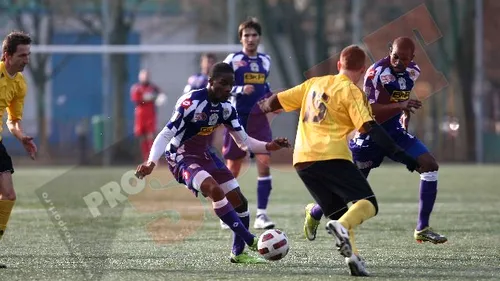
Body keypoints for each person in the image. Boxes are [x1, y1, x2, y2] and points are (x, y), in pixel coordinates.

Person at [258, 45, 419, 276]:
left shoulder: (313, 83)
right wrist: (403, 156)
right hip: (331, 155)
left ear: (338, 65)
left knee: (340, 213)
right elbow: (370, 129)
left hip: (302, 161)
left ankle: (353, 259)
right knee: (368, 204)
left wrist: (257, 109)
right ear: (363, 70)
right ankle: (341, 227)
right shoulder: (352, 92)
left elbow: (272, 102)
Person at [135, 62, 290, 264]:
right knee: (214, 190)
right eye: (223, 83)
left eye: (231, 84)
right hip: (180, 155)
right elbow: (166, 133)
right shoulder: (191, 102)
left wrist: (270, 146)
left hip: (205, 154)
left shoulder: (227, 108)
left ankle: (238, 253)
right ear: (210, 82)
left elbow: (244, 143)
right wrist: (151, 162)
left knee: (239, 201)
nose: (227, 89)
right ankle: (251, 240)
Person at [303, 37, 447, 245]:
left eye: (404, 59)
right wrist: (401, 106)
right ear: (390, 50)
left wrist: (405, 111)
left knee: (430, 166)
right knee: (347, 196)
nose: (398, 62)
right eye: (395, 56)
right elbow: (369, 110)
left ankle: (422, 227)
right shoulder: (376, 72)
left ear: (412, 59)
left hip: (395, 134)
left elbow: (401, 97)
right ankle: (314, 211)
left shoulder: (414, 71)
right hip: (370, 136)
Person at [222, 18, 275, 230]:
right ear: (241, 38)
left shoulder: (265, 60)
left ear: (259, 38)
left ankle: (261, 214)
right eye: (246, 35)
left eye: (254, 35)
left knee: (264, 161)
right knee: (233, 168)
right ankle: (226, 210)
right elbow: (218, 85)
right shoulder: (232, 60)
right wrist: (238, 90)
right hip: (236, 119)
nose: (250, 39)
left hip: (259, 120)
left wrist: (270, 99)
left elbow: (265, 85)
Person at [0, 31, 38, 268]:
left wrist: (22, 136)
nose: (27, 59)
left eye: (28, 55)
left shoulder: (20, 84)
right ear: (7, 55)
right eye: (22, 55)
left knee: (9, 195)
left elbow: (12, 120)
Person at [130, 69, 166, 162]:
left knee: (150, 136)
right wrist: (147, 98)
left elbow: (161, 94)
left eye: (146, 76)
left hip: (150, 115)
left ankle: (152, 158)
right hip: (140, 115)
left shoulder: (153, 88)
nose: (145, 77)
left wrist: (160, 98)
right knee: (142, 137)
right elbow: (136, 100)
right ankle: (145, 158)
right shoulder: (136, 88)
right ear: (140, 77)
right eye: (143, 75)